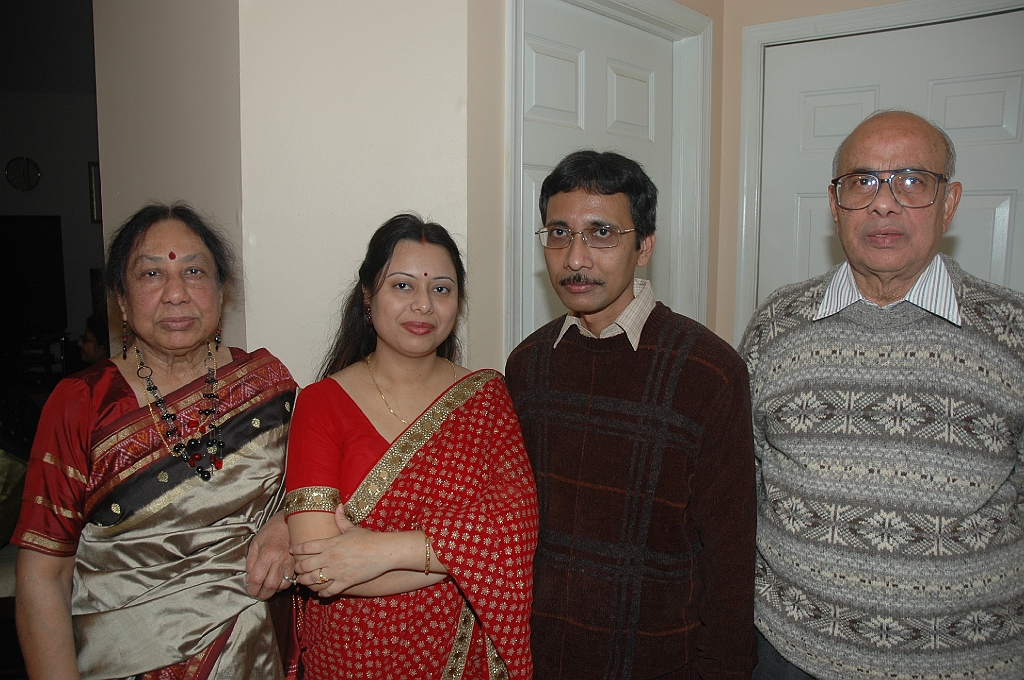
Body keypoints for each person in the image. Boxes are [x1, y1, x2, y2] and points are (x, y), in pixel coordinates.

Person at [741, 110, 1024, 679]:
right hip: (789, 655)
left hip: (966, 664)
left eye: (912, 181)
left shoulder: (1011, 331)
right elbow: (737, 481)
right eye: (862, 181)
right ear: (835, 203)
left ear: (949, 202)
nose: (884, 204)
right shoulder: (776, 324)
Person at [13, 203, 298, 680]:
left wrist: (291, 521)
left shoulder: (267, 384)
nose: (176, 293)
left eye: (194, 271)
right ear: (122, 302)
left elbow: (323, 489)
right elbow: (44, 575)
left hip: (257, 658)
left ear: (221, 291)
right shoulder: (82, 404)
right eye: (151, 274)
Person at [505, 150, 757, 678]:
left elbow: (730, 557)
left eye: (602, 233)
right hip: (542, 656)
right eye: (559, 233)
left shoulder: (709, 372)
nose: (575, 258)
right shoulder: (528, 365)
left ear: (644, 246)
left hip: (662, 660)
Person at [283, 213, 538, 679]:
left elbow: (516, 532)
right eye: (402, 286)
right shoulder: (320, 404)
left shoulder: (487, 398)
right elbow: (319, 566)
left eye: (441, 289)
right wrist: (466, 555)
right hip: (351, 656)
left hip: (460, 658)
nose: (423, 305)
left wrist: (381, 552)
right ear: (367, 296)